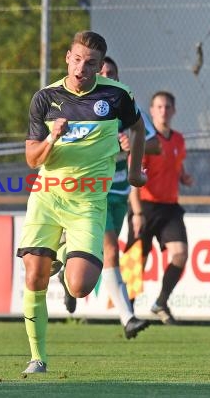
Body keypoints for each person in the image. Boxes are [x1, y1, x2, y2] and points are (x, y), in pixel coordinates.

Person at [16, 31, 146, 374]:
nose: (81, 68)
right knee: (33, 275)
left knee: (81, 284)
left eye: (90, 63)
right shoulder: (45, 98)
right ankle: (37, 358)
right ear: (67, 58)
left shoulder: (117, 96)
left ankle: (62, 258)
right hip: (47, 195)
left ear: (99, 66)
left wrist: (134, 173)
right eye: (77, 60)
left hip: (88, 201)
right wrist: (53, 139)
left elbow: (139, 130)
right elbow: (32, 159)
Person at [56, 56, 161, 340]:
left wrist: (133, 143)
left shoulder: (126, 103)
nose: (105, 75)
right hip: (92, 191)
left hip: (120, 195)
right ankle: (127, 318)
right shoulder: (83, 105)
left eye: (110, 71)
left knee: (100, 255)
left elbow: (154, 144)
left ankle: (67, 273)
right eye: (100, 70)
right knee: (111, 249)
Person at [125, 90, 194, 325]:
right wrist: (137, 213)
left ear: (173, 111)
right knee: (137, 262)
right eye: (158, 107)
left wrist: (183, 176)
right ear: (152, 111)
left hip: (170, 208)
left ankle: (161, 302)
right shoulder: (145, 141)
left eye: (167, 107)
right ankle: (129, 313)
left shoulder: (179, 140)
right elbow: (134, 179)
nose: (163, 111)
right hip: (144, 206)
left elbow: (176, 164)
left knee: (180, 254)